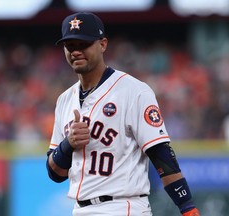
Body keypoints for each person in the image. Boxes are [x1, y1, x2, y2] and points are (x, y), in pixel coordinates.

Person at [46, 12, 200, 216]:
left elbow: (161, 155)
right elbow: (55, 173)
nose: (76, 51)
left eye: (83, 44)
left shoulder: (133, 91)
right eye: (70, 45)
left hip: (122, 206)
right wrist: (68, 145)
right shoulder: (64, 100)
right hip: (79, 209)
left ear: (102, 44)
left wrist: (187, 207)